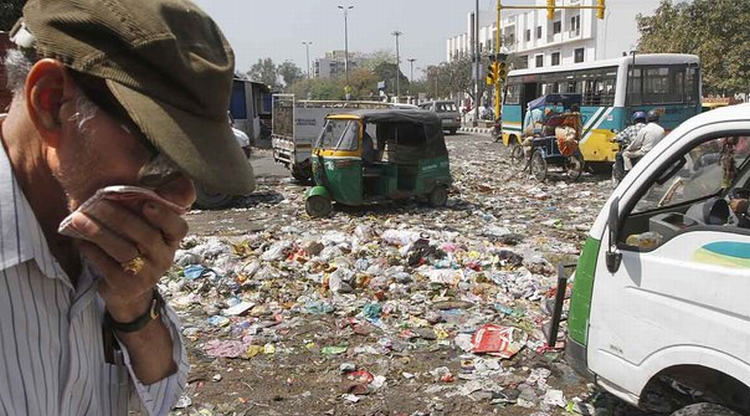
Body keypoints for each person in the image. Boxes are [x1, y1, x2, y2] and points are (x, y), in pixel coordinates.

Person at [0, 0, 254, 414]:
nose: (183, 197)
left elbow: (164, 394)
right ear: (50, 103)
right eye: (161, 158)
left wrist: (133, 306)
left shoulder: (103, 239)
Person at [612, 110, 647, 184]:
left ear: (634, 120)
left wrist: (614, 139)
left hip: (634, 151)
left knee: (619, 155)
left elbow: (619, 136)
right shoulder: (647, 128)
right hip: (646, 151)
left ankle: (621, 176)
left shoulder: (631, 128)